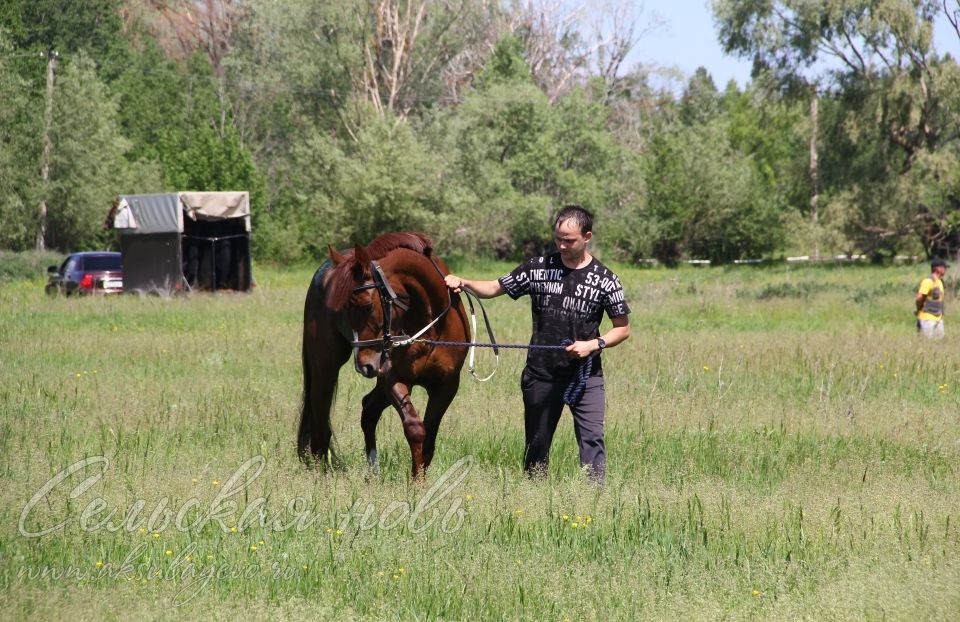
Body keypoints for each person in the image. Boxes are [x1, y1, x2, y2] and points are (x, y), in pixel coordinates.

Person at [445, 206, 630, 483]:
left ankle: (595, 501)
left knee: (592, 441)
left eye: (569, 240)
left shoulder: (605, 279)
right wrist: (463, 282)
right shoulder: (538, 268)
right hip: (541, 375)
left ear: (587, 236)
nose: (562, 245)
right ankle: (535, 497)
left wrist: (594, 344)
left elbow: (622, 328)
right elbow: (495, 287)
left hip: (585, 376)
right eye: (558, 239)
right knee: (537, 446)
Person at [916, 259, 949, 339]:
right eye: (944, 268)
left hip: (938, 317)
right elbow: (919, 298)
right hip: (927, 318)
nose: (946, 270)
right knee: (927, 343)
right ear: (938, 269)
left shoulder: (940, 282)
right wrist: (920, 309)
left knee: (939, 344)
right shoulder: (928, 281)